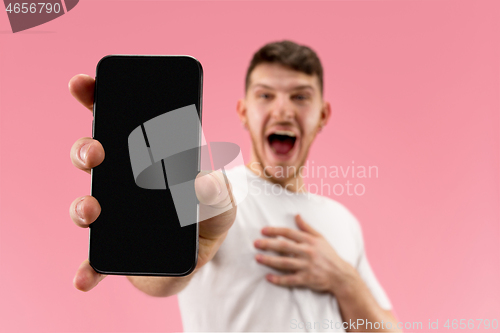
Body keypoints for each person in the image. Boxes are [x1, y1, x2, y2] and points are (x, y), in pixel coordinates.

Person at [68, 40, 401, 332]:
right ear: (243, 112)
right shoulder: (215, 194)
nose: (283, 110)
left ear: (323, 115)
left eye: (300, 96)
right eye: (265, 95)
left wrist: (344, 281)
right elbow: (155, 282)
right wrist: (185, 251)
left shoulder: (343, 220)